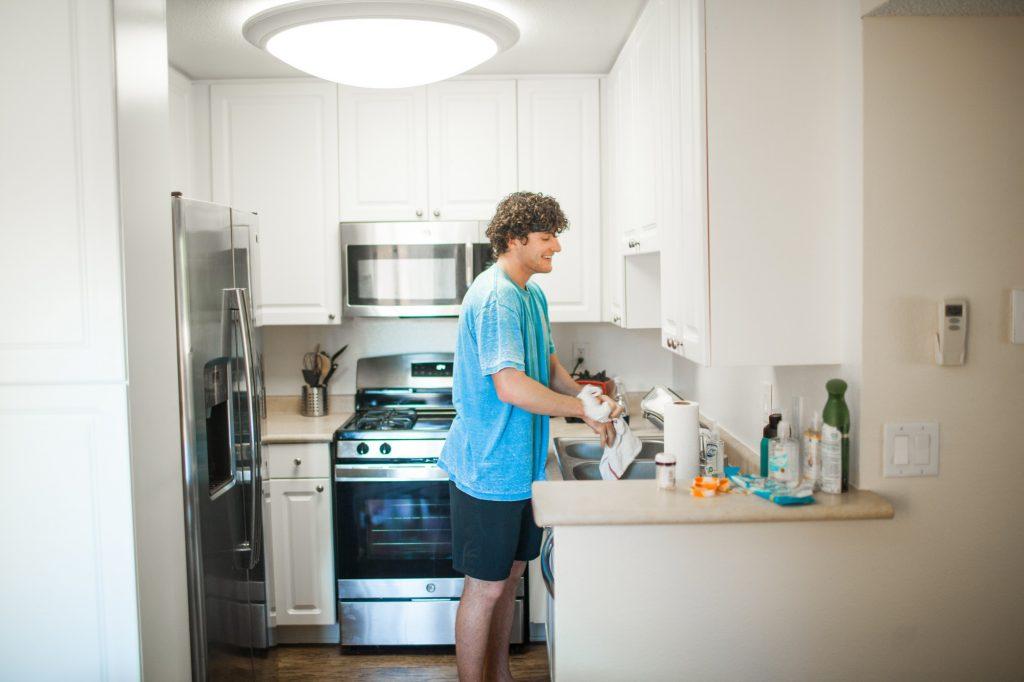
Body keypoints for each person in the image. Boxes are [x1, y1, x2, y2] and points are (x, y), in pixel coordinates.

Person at [438, 191, 623, 681]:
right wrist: (580, 412)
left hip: (521, 469)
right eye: (546, 238)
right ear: (516, 240)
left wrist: (586, 395)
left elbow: (549, 366)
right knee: (486, 588)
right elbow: (512, 385)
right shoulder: (496, 296)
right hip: (488, 469)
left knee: (510, 579)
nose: (556, 247)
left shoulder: (531, 293)